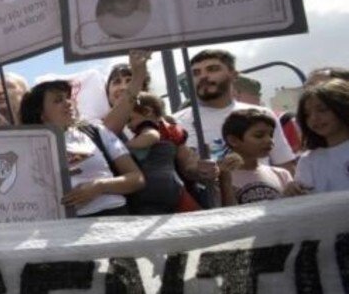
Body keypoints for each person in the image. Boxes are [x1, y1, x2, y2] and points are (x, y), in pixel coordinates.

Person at [21, 80, 145, 217]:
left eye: (68, 97)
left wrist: (100, 186)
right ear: (41, 114)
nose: (68, 103)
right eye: (58, 100)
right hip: (64, 228)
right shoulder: (28, 149)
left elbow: (137, 179)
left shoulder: (97, 131)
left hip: (116, 219)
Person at [174, 49, 296, 179]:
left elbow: (285, 165)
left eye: (212, 69)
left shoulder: (262, 114)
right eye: (196, 73)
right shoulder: (176, 123)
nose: (203, 76)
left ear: (233, 74)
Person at [124, 92, 200, 214]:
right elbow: (185, 161)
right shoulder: (173, 129)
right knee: (193, 214)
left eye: (129, 119)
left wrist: (124, 147)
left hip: (153, 187)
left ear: (147, 111)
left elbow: (151, 137)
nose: (127, 125)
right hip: (172, 184)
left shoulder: (147, 127)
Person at [217, 108, 295, 206]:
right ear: (233, 140)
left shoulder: (282, 175)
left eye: (271, 135)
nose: (269, 140)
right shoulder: (220, 178)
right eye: (259, 135)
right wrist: (225, 182)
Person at [294, 79, 349, 194]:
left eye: (322, 110)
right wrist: (292, 193)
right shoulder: (308, 161)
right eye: (307, 114)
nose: (314, 118)